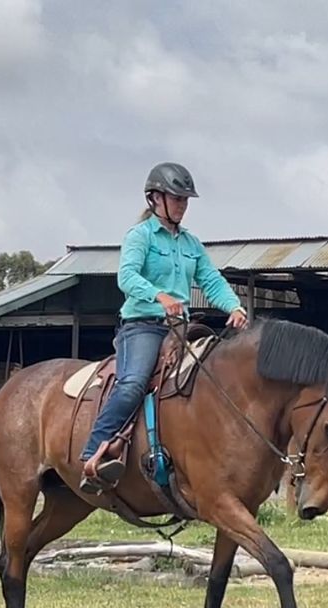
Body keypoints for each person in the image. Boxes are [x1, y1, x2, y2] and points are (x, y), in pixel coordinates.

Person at [79, 161, 249, 493]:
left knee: (214, 378)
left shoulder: (191, 243)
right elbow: (126, 277)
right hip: (142, 326)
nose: (183, 206)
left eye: (186, 200)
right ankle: (92, 454)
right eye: (177, 198)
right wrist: (160, 296)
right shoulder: (139, 236)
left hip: (181, 329)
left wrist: (234, 306)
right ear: (154, 198)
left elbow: (211, 280)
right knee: (133, 384)